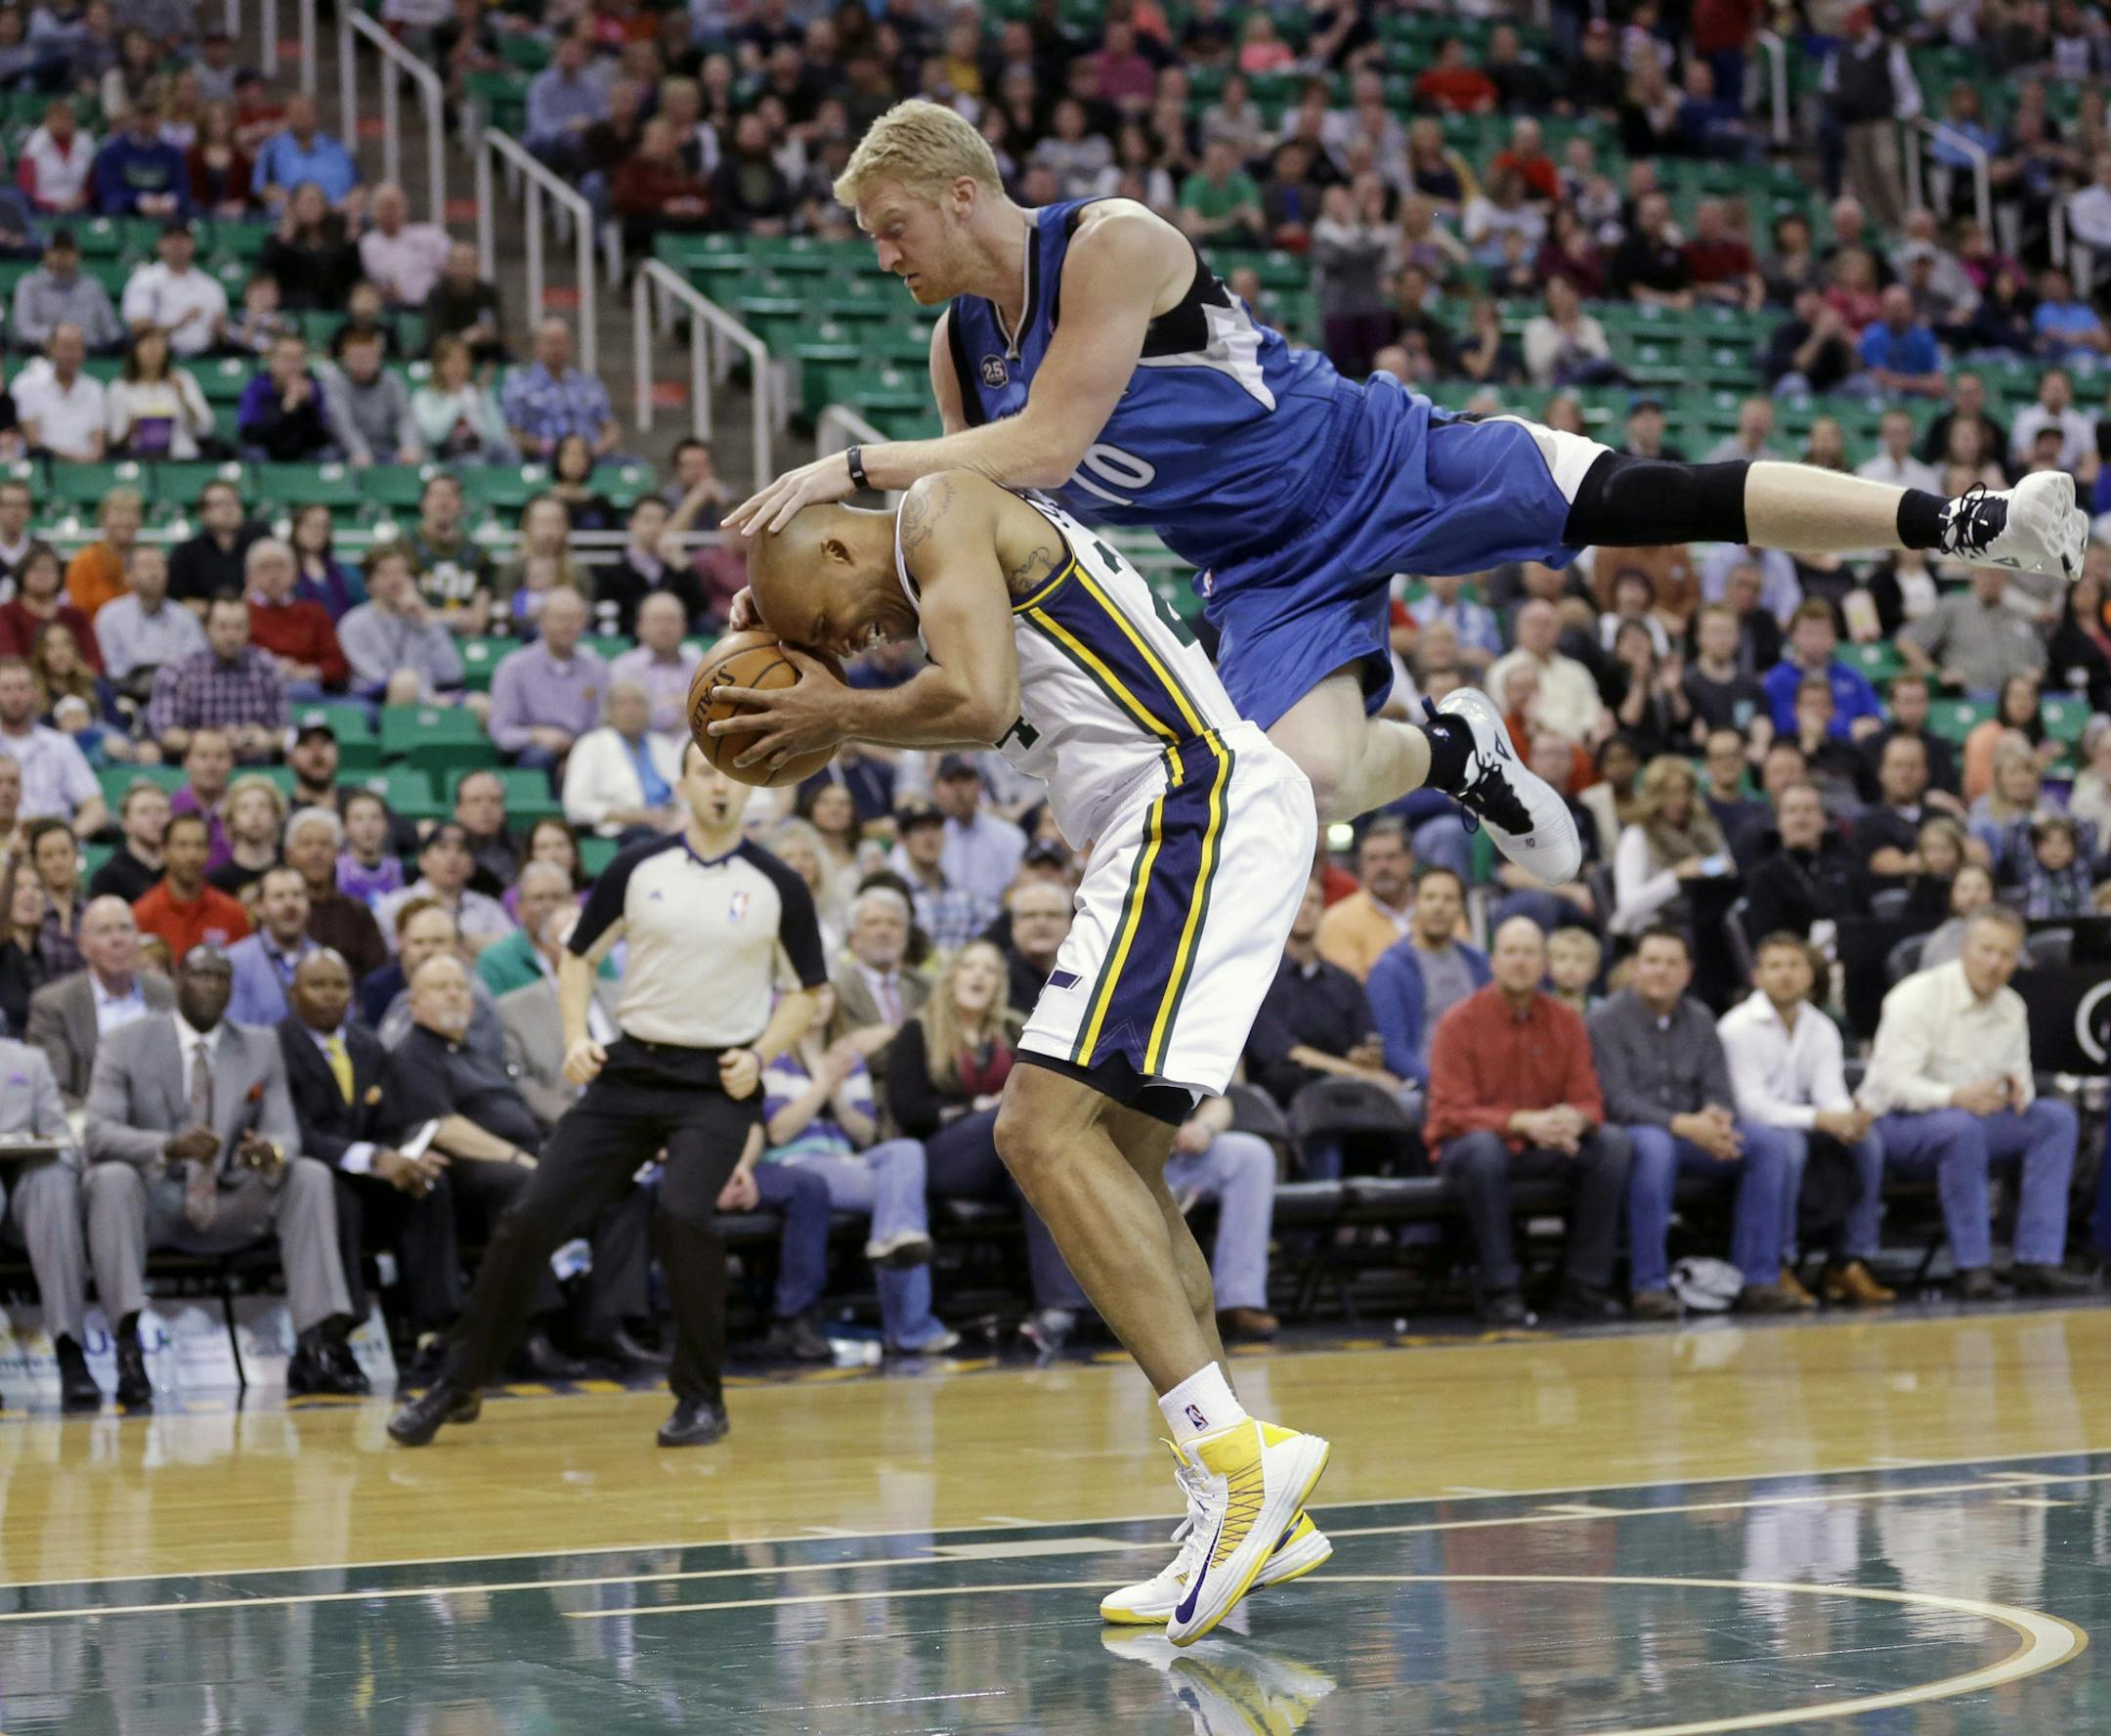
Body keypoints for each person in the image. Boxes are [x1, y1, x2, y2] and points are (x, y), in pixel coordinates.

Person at [732, 101, 2082, 861]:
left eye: (891, 229)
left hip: (1376, 455)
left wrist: (852, 464)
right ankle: (1454, 749)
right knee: (1304, 783)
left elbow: (1050, 450)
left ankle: (1966, 520)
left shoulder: (1111, 243)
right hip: (1259, 568)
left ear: (962, 194)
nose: (884, 258)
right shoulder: (957, 352)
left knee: (1642, 497)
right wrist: (812, 618)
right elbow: (1005, 528)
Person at [718, 471, 1331, 1647]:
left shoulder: (941, 509)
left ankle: (1235, 1462)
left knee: (1034, 1131)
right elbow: (893, 652)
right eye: (831, 651)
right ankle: (1241, 1495)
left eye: (833, 626)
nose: (849, 649)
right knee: (1120, 1170)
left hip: (1185, 807)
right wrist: (776, 638)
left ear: (844, 553)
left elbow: (973, 694)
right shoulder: (913, 574)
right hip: (1172, 823)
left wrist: (835, 711)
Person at [388, 750, 827, 1452]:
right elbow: (581, 956)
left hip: (717, 1083)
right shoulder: (637, 868)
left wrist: (762, 1054)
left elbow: (811, 991)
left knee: (684, 1216)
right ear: (680, 785)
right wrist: (572, 1038)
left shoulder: (778, 883)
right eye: (705, 773)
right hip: (629, 1071)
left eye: (731, 776)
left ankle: (700, 1400)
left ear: (751, 789)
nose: (719, 786)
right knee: (528, 1218)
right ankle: (458, 1381)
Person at [83, 942, 366, 1403]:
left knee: (309, 1174)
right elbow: (97, 1133)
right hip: (157, 1200)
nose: (211, 986)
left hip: (233, 1197)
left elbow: (287, 1136)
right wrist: (168, 1147)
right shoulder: (125, 1042)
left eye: (221, 977)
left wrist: (267, 1153)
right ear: (177, 981)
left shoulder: (260, 1044)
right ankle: (128, 1346)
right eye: (200, 975)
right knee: (112, 1179)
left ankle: (315, 1344)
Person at [1859, 907, 2091, 1299]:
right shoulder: (1916, 996)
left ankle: (2038, 1260)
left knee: (2055, 1119)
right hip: (1898, 1124)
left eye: (2006, 955)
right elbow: (1890, 1085)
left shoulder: (2011, 1006)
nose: (1995, 964)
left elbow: (2022, 1077)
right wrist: (1955, 1097)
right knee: (1960, 1129)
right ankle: (1972, 1266)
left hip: (1976, 1118)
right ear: (1965, 949)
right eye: (1987, 951)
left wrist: (2017, 1094)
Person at [1425, 915, 1632, 1324]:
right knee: (1483, 1151)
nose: (1520, 962)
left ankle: (1583, 1285)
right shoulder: (1458, 1023)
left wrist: (1572, 1119)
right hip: (1472, 1149)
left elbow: (1589, 1100)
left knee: (1611, 1144)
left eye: (1530, 953)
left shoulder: (1567, 1021)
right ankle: (1499, 1288)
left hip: (1546, 1144)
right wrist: (1521, 1122)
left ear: (1544, 965)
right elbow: (1451, 1112)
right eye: (1511, 952)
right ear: (1492, 961)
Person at [1591, 927, 1803, 1318]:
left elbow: (1719, 1090)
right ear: (1635, 968)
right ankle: (1649, 1286)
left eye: (1672, 963)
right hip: (1636, 1134)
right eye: (1652, 961)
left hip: (1695, 1135)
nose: (1661, 971)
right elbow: (1616, 1100)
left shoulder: (1701, 1018)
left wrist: (1714, 1120)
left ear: (1688, 972)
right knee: (1654, 1149)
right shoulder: (1605, 1020)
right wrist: (1682, 1124)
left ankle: (1757, 1279)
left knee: (1769, 1145)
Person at [758, 984, 957, 1355]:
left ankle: (892, 1242)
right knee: (901, 1200)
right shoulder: (772, 1056)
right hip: (801, 1165)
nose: (817, 1001)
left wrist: (837, 1094)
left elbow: (865, 1134)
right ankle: (911, 1327)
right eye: (805, 992)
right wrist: (824, 1083)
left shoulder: (848, 1056)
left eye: (824, 991)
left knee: (905, 1151)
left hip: (849, 1158)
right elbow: (780, 1130)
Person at [1719, 933, 1895, 1307]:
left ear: (1810, 975)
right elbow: (1751, 1106)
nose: (1785, 975)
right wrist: (1821, 1118)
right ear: (1756, 976)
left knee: (1869, 1141)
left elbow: (1829, 1092)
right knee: (1787, 1146)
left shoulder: (1822, 1027)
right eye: (1775, 966)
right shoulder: (1736, 1028)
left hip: (1804, 1123)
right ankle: (1779, 1262)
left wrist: (1849, 1118)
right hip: (1750, 1129)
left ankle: (1850, 1260)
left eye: (1794, 966)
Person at [0, 1032, 102, 1408]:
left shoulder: (28, 1060)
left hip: (27, 1193)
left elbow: (59, 1137)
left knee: (54, 1180)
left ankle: (69, 1349)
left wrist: (42, 1144)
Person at [24, 894, 171, 1103]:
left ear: (138, 936)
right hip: (86, 1124)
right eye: (104, 931)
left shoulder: (166, 995)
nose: (117, 939)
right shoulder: (54, 1005)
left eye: (125, 928)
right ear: (83, 945)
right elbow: (52, 1091)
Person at [1365, 866, 1488, 1103]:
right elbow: (1394, 1051)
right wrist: (1445, 1085)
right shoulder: (1389, 969)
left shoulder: (1479, 964)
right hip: (1422, 1090)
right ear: (1415, 903)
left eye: (1448, 898)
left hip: (1481, 1086)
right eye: (1430, 897)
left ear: (1460, 907)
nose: (1438, 906)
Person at [145, 594, 288, 760]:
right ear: (207, 628)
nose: (231, 636)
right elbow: (163, 733)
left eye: (238, 627)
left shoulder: (266, 667)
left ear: (249, 629)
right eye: (222, 627)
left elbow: (285, 732)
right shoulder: (179, 671)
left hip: (255, 768)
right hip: (196, 769)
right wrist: (213, 741)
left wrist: (267, 739)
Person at [132, 809, 248, 964]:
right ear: (164, 851)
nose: (192, 855)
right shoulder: (142, 915)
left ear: (209, 852)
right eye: (182, 845)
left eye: (199, 845)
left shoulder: (234, 914)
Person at [1314, 817, 1417, 982]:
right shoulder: (1338, 921)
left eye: (1391, 857)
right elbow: (1349, 991)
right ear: (1361, 864)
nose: (1383, 866)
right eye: (1373, 859)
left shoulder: (1437, 910)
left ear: (1411, 860)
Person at [224, 865, 317, 1025]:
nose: (290, 904)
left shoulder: (324, 961)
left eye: (297, 895)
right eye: (279, 897)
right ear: (259, 907)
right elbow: (233, 1030)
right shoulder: (236, 961)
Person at [168, 479, 266, 609]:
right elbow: (176, 602)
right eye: (220, 504)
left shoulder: (259, 545)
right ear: (202, 513)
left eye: (233, 502)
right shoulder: (186, 553)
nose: (228, 509)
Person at [88, 779, 168, 904]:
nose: (155, 818)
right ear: (125, 822)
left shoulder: (181, 870)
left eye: (161, 810)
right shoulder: (109, 877)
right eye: (144, 811)